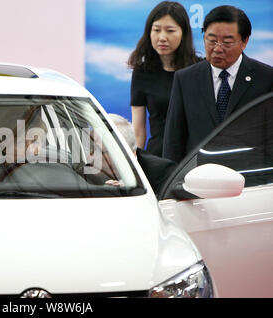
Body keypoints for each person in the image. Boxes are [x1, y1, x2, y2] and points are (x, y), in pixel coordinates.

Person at [163, 5, 273, 163]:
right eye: (211, 40)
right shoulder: (185, 79)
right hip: (199, 179)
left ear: (245, 41)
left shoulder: (266, 79)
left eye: (227, 43)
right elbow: (173, 141)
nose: (217, 49)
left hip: (249, 177)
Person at [128, 1, 200, 157]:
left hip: (193, 157)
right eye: (156, 30)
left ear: (183, 33)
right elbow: (139, 131)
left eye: (170, 30)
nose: (162, 37)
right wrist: (134, 165)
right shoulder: (142, 71)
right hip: (158, 158)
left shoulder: (200, 69)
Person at [108, 113, 177, 196]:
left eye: (99, 151)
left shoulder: (162, 171)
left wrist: (128, 192)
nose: (90, 157)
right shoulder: (90, 171)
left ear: (128, 154)